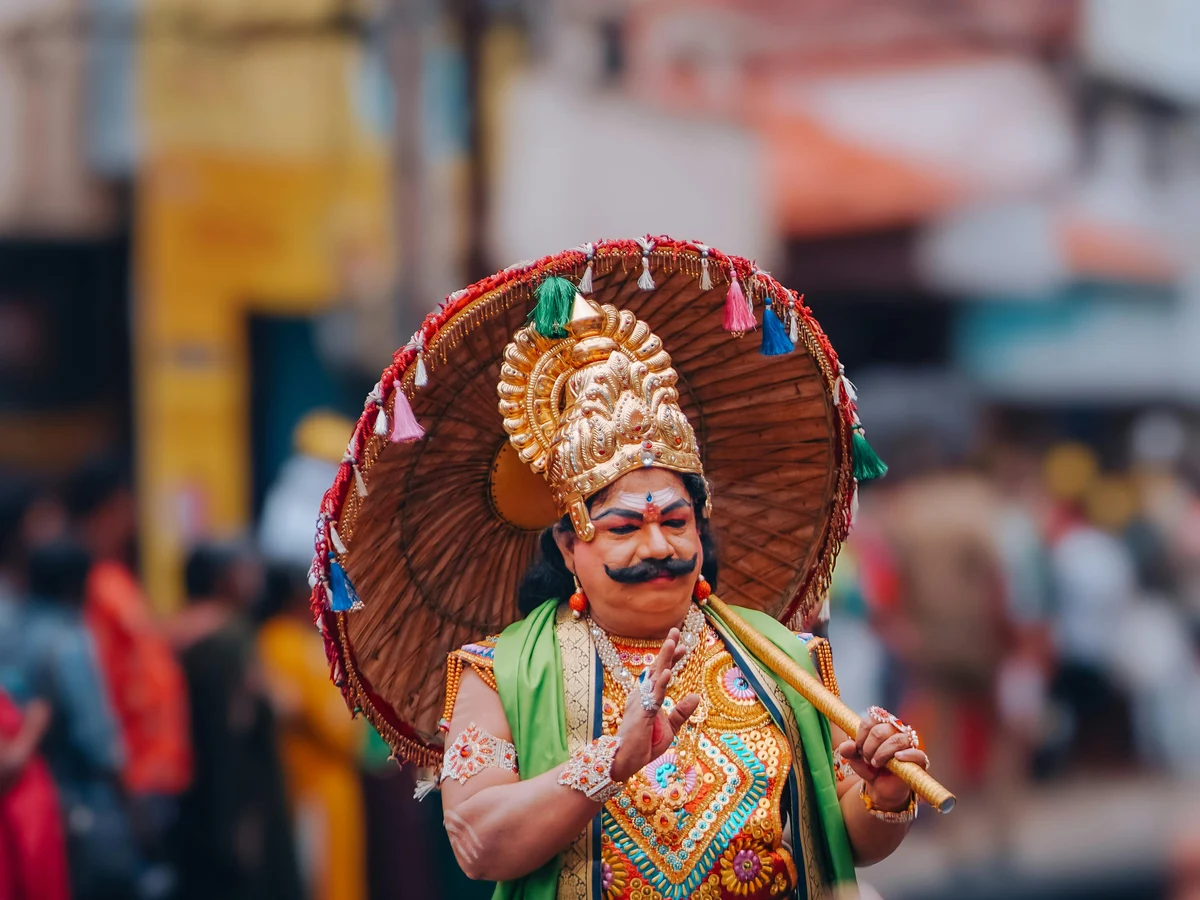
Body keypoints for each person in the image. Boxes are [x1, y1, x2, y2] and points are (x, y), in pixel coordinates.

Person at [307, 239, 935, 900]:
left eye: (675, 521)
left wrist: (885, 794)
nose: (657, 547)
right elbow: (477, 843)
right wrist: (612, 760)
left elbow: (848, 838)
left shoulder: (784, 658)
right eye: (624, 528)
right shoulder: (498, 675)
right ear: (568, 545)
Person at [64, 458, 191, 875]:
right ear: (110, 508)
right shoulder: (89, 584)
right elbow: (96, 681)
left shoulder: (113, 576)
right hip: (129, 779)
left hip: (154, 771)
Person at [0, 539, 139, 900]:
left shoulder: (10, 629)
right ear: (75, 585)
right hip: (73, 800)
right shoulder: (68, 639)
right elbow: (97, 737)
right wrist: (131, 801)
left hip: (16, 801)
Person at [170, 544, 302, 900]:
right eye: (243, 569)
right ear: (222, 579)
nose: (252, 579)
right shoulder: (228, 640)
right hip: (238, 806)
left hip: (192, 802)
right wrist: (240, 822)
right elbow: (234, 735)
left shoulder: (177, 631)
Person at [257, 563, 367, 900]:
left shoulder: (289, 641)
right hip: (314, 791)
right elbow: (341, 728)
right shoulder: (287, 643)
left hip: (323, 786)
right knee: (324, 884)